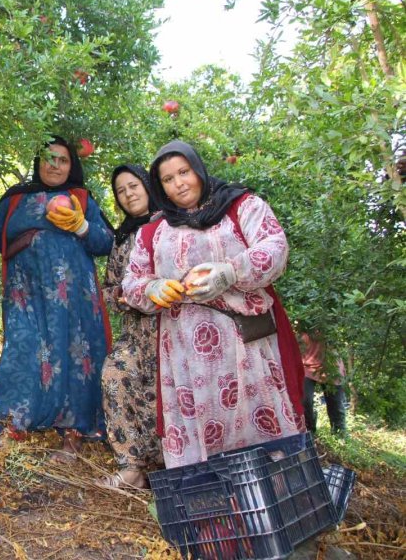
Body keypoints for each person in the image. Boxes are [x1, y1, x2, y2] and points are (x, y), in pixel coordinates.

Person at [123, 140, 305, 468]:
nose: (179, 183)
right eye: (167, 179)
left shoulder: (241, 206)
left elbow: (275, 246)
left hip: (245, 349)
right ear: (159, 187)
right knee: (201, 432)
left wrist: (231, 271)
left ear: (198, 169)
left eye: (184, 172)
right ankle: (214, 516)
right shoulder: (153, 232)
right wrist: (153, 288)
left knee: (255, 427)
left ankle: (269, 509)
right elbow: (132, 283)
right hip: (183, 356)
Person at [0, 136, 113, 461]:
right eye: (49, 158)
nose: (55, 165)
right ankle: (9, 429)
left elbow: (106, 241)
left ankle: (72, 438)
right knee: (22, 354)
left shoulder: (81, 198)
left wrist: (81, 226)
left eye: (63, 160)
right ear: (37, 162)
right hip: (26, 296)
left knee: (75, 361)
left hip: (75, 301)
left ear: (72, 166)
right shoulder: (15, 199)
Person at [99, 164, 162, 488]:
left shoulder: (170, 224)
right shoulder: (121, 237)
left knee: (163, 395)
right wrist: (121, 297)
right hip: (135, 332)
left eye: (133, 186)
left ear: (148, 186)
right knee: (115, 376)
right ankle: (132, 466)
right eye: (121, 191)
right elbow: (109, 286)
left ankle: (168, 469)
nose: (129, 194)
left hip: (169, 331)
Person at [300, 329, 347, 436]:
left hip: (331, 366)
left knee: (335, 404)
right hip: (306, 365)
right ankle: (309, 432)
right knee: (304, 400)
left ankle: (340, 436)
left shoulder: (329, 318)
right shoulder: (300, 320)